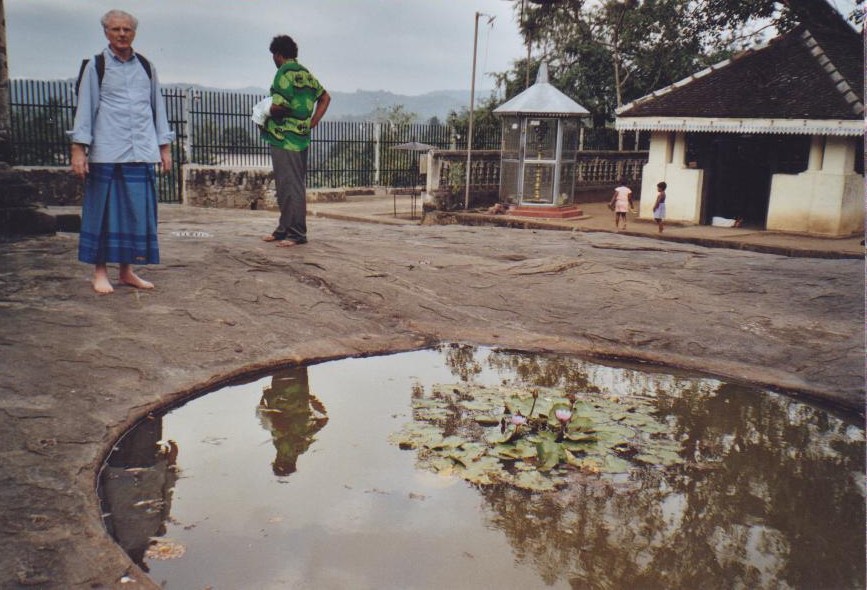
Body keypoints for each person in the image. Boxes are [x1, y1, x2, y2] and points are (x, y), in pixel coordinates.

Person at [69, 9, 174, 294]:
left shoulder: (146, 67)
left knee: (135, 214)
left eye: (127, 29)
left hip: (140, 152)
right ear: (106, 32)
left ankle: (127, 271)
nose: (122, 34)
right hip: (107, 152)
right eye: (116, 29)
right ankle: (100, 272)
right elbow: (85, 109)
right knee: (103, 214)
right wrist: (79, 150)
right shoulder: (97, 65)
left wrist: (164, 148)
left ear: (134, 33)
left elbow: (157, 108)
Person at [260, 35, 331, 247]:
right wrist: (313, 121)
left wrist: (264, 109)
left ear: (278, 55)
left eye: (274, 56)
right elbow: (325, 97)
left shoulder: (283, 73)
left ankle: (297, 233)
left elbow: (280, 106)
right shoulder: (305, 73)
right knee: (289, 184)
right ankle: (283, 229)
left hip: (284, 136)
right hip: (301, 136)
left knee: (290, 185)